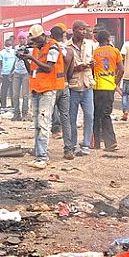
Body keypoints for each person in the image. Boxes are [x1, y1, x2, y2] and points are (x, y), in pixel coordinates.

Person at [21, 24, 65, 169]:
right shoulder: (35, 49)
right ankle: (38, 152)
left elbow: (48, 68)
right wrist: (24, 59)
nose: (35, 42)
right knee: (36, 124)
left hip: (48, 89)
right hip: (36, 88)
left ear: (43, 36)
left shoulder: (53, 47)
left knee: (43, 122)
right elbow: (31, 71)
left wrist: (31, 58)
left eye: (36, 39)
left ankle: (42, 157)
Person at [67, 20, 96, 156]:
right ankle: (72, 144)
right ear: (74, 30)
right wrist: (77, 68)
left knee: (89, 116)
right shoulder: (66, 46)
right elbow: (64, 68)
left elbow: (94, 63)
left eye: (85, 30)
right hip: (73, 86)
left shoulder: (90, 45)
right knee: (71, 118)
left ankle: (86, 144)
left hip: (87, 85)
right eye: (81, 29)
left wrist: (92, 65)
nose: (84, 32)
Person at [92, 30, 124, 151]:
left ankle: (96, 143)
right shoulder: (115, 51)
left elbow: (91, 69)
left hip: (97, 87)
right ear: (109, 39)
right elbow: (121, 69)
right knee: (106, 115)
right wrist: (115, 82)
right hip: (109, 87)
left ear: (98, 40)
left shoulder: (95, 53)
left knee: (96, 115)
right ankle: (110, 142)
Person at [50, 25, 75, 160]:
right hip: (65, 84)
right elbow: (71, 71)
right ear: (64, 35)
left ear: (51, 36)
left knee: (46, 116)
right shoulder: (70, 51)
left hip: (52, 85)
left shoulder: (51, 49)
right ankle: (68, 150)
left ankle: (41, 149)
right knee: (66, 117)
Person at [12, 31, 30, 120]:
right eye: (20, 38)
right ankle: (16, 113)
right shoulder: (16, 48)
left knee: (25, 95)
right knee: (15, 95)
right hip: (17, 72)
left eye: (23, 38)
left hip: (26, 73)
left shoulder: (29, 48)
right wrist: (11, 71)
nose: (21, 40)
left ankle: (25, 114)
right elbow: (15, 60)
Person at [0, 39, 16, 109]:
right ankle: (3, 105)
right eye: (7, 45)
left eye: (9, 45)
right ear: (4, 45)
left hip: (13, 74)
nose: (8, 47)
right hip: (4, 74)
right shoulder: (1, 53)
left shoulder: (14, 52)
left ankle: (14, 105)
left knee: (13, 91)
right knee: (4, 90)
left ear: (12, 45)